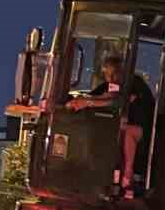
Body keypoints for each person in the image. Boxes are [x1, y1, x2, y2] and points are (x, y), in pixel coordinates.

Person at [66, 54, 155, 198]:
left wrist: (88, 102)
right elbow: (103, 95)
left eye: (114, 74)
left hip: (144, 133)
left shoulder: (134, 83)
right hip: (118, 128)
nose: (110, 78)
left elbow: (117, 101)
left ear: (123, 72)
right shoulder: (112, 84)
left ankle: (127, 175)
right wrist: (78, 100)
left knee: (126, 132)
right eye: (107, 74)